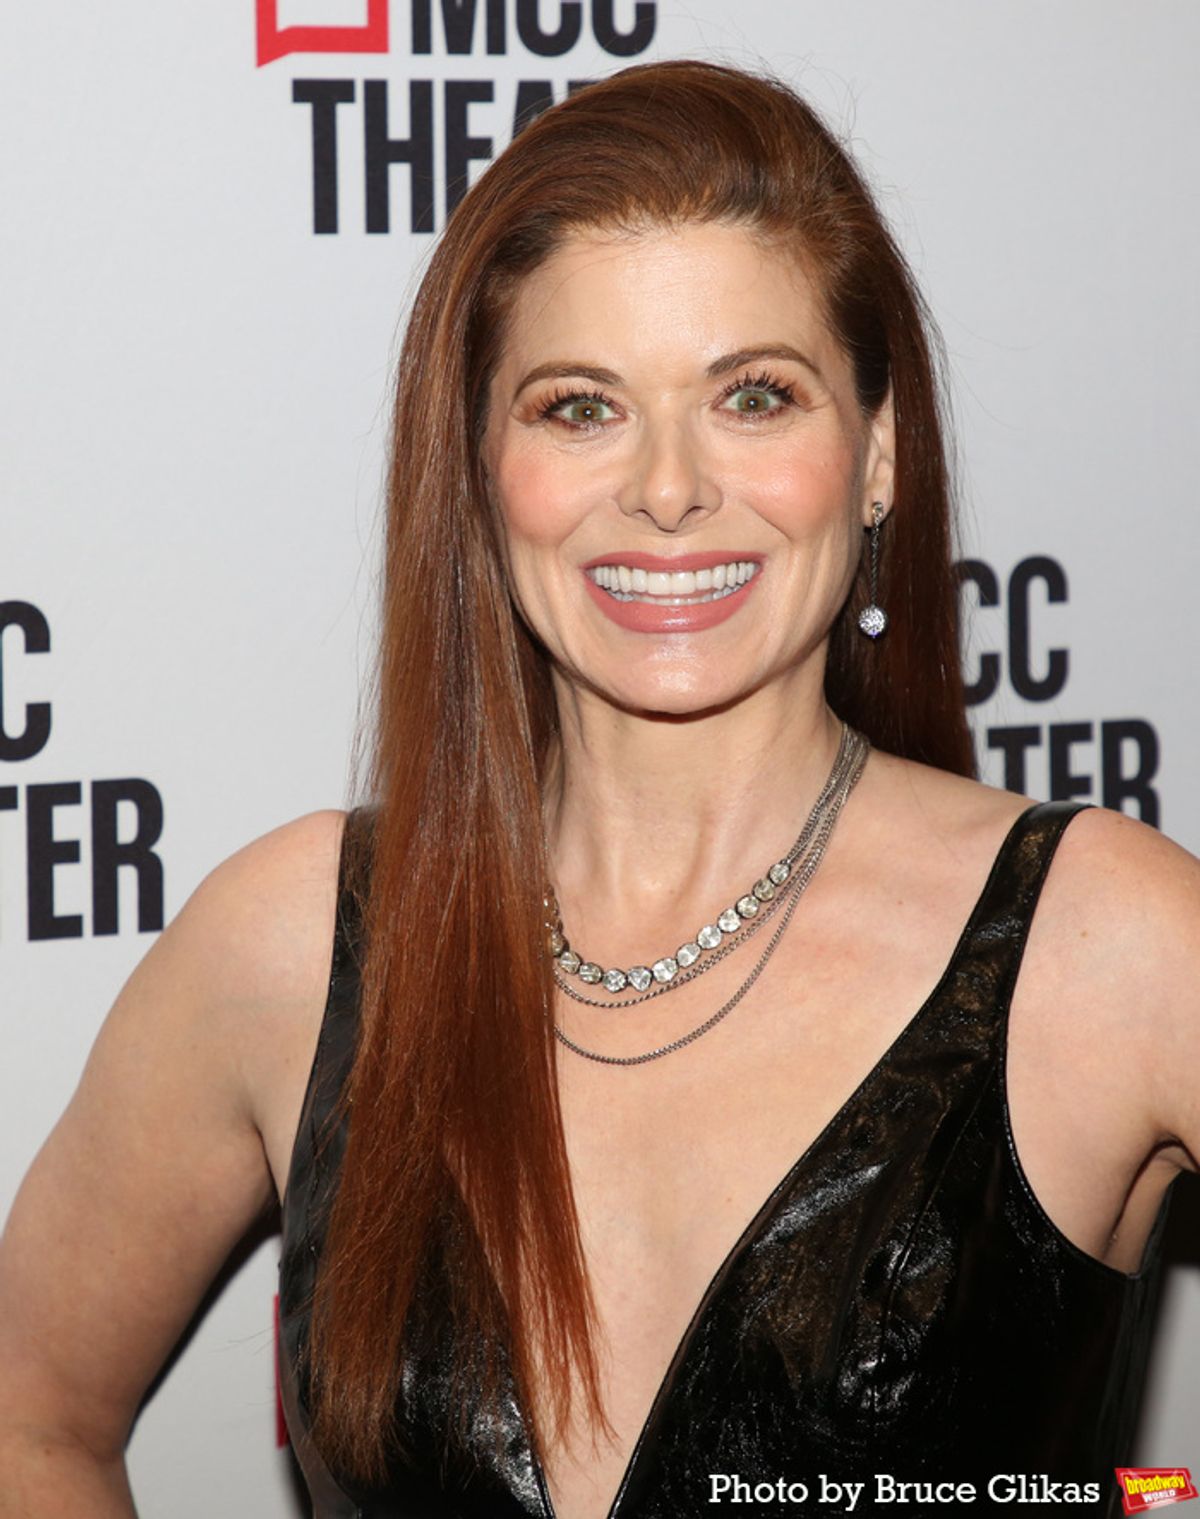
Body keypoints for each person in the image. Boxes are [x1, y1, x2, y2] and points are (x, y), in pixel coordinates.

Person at [0, 56, 1196, 1519]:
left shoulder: (1106, 950)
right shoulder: (291, 945)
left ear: (877, 454)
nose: (669, 489)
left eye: (754, 395)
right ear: (479, 464)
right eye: (580, 408)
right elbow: (28, 1415)